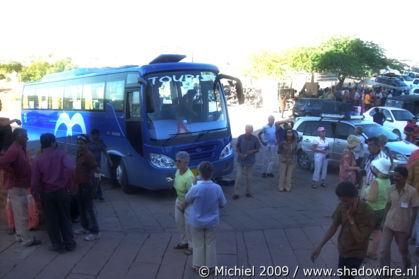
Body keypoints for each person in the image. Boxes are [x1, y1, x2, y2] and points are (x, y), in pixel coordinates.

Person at [311, 182, 374, 279]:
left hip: (356, 253)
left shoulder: (367, 212)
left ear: (354, 196)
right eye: (341, 200)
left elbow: (360, 238)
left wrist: (350, 218)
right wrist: (320, 246)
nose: (343, 203)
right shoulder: (342, 205)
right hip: (343, 249)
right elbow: (334, 226)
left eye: (345, 201)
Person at [31, 133, 76, 252]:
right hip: (61, 191)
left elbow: (35, 182)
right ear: (53, 143)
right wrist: (68, 184)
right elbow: (71, 169)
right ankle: (70, 243)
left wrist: (36, 197)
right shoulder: (61, 155)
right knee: (65, 218)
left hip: (47, 194)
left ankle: (57, 245)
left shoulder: (37, 160)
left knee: (51, 221)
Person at [0, 128, 41, 247]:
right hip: (17, 185)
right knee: (22, 213)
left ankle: (20, 235)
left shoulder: (20, 148)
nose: (27, 138)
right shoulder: (14, 149)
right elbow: (3, 162)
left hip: (20, 184)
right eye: (24, 136)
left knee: (19, 212)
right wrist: (12, 172)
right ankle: (27, 239)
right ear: (17, 137)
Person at [185, 161, 226, 272]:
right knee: (210, 243)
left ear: (199, 173)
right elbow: (222, 204)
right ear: (211, 173)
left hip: (196, 221)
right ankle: (211, 266)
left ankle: (197, 265)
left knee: (198, 243)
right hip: (212, 221)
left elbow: (187, 199)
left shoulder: (195, 188)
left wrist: (193, 185)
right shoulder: (217, 188)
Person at [380, 166, 419, 271]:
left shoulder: (412, 192)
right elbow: (388, 205)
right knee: (383, 250)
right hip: (389, 223)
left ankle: (407, 263)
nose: (396, 178)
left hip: (402, 226)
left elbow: (414, 212)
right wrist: (383, 221)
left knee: (403, 249)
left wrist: (410, 230)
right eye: (395, 176)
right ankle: (385, 271)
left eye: (398, 176)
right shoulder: (391, 189)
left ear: (405, 178)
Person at [360, 158, 391, 260]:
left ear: (378, 169)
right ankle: (373, 253)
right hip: (381, 210)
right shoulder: (387, 180)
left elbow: (372, 198)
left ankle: (362, 255)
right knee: (377, 232)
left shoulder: (376, 181)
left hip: (371, 210)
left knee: (365, 233)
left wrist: (364, 197)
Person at [74, 134, 101, 241]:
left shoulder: (88, 155)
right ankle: (85, 227)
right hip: (80, 185)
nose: (79, 145)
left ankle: (95, 232)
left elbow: (98, 172)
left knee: (89, 209)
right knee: (81, 208)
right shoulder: (80, 154)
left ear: (86, 144)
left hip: (86, 185)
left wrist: (95, 187)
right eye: (78, 143)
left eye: (82, 143)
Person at [171, 151, 194, 255]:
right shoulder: (178, 171)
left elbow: (191, 194)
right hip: (179, 199)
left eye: (179, 161)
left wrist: (183, 205)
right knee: (179, 222)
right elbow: (177, 182)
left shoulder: (189, 177)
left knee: (188, 225)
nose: (176, 163)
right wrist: (172, 181)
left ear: (186, 163)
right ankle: (184, 242)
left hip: (188, 203)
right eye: (176, 160)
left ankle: (192, 246)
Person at [233, 125, 260, 199]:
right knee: (238, 177)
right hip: (241, 159)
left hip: (250, 160)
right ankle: (236, 193)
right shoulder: (241, 137)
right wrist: (239, 154)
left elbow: (258, 149)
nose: (247, 132)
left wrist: (252, 151)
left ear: (251, 131)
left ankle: (248, 192)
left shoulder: (255, 139)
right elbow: (237, 147)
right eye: (246, 130)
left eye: (249, 130)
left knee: (249, 177)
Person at [88, 129, 113, 201]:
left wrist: (109, 160)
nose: (96, 136)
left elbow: (105, 152)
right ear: (92, 135)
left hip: (97, 165)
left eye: (97, 135)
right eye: (95, 135)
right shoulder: (89, 143)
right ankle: (96, 195)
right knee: (93, 180)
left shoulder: (100, 142)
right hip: (90, 165)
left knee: (97, 179)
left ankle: (97, 195)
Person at [407, 149, 419, 255]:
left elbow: (408, 177)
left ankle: (414, 238)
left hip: (415, 194)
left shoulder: (415, 155)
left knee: (414, 217)